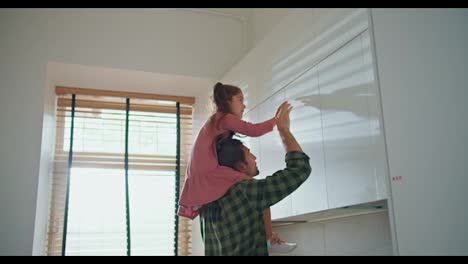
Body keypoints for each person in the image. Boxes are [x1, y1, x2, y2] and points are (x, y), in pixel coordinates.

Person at [178, 82, 287, 248]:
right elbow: (253, 130)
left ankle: (268, 236)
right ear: (227, 101)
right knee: (253, 185)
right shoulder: (224, 118)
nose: (244, 105)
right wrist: (277, 121)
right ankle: (268, 236)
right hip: (209, 172)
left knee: (251, 185)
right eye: (240, 100)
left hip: (202, 172)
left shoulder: (216, 121)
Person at [200, 101, 312, 255]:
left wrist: (266, 237)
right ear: (241, 166)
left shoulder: (207, 201)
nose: (254, 157)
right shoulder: (245, 192)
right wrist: (283, 130)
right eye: (249, 153)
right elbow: (299, 168)